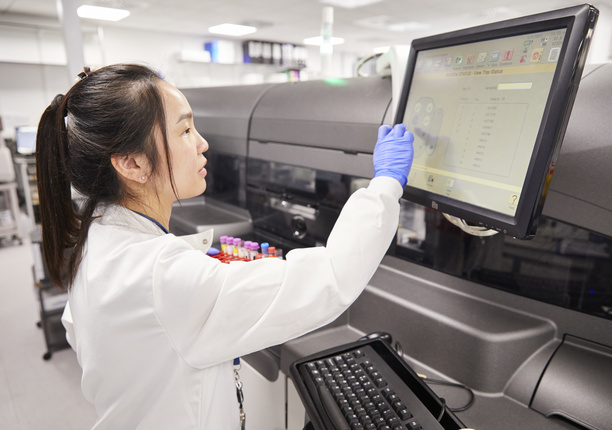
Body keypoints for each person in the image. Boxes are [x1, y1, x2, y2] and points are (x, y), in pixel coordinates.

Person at [35, 63, 414, 429]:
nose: (203, 143)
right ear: (132, 164)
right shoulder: (162, 275)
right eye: (184, 131)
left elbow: (79, 326)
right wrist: (385, 185)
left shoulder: (98, 236)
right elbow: (329, 276)